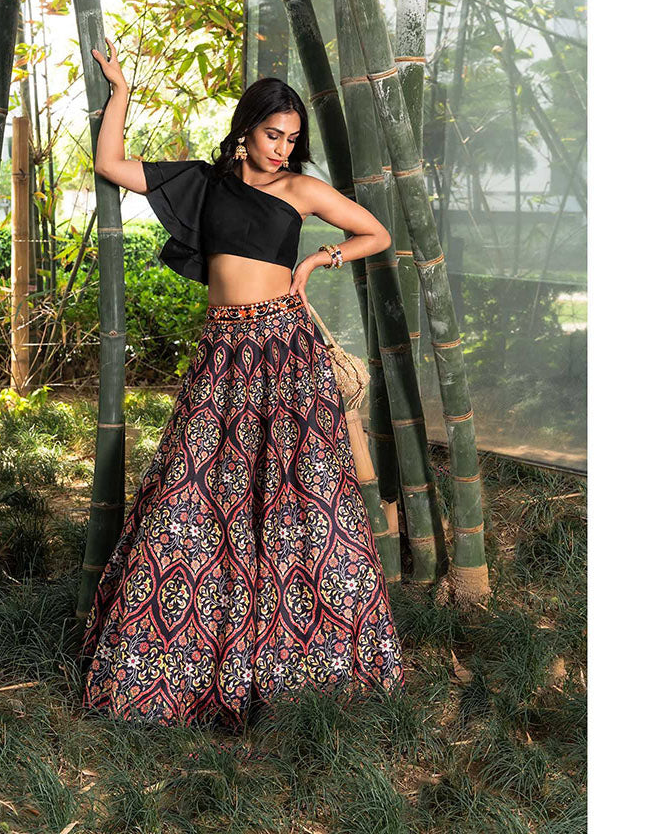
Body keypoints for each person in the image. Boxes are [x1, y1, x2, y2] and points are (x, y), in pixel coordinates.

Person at [78, 36, 406, 729]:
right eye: (272, 134)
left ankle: (304, 667)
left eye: (291, 138)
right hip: (222, 351)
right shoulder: (206, 183)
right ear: (246, 130)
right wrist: (121, 92)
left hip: (285, 349)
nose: (282, 149)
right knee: (195, 492)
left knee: (299, 497)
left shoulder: (301, 190)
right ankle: (182, 660)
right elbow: (109, 164)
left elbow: (376, 233)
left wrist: (317, 260)